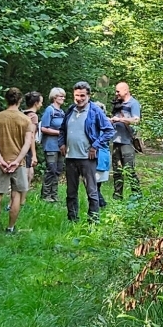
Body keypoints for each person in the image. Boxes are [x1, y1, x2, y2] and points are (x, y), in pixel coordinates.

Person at [59, 80, 116, 223]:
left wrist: (95, 145)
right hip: (71, 156)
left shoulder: (94, 111)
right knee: (71, 192)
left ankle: (93, 220)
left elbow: (109, 130)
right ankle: (72, 219)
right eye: (77, 95)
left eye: (82, 96)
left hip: (87, 158)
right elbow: (62, 130)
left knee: (92, 191)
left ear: (88, 96)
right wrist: (62, 143)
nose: (79, 98)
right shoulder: (71, 110)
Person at [0, 88, 37, 236]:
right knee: (16, 194)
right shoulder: (25, 119)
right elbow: (27, 143)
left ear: (6, 99)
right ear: (20, 100)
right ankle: (10, 227)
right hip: (18, 164)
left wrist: (1, 160)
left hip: (0, 163)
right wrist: (17, 161)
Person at [109, 80, 142, 199]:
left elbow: (136, 120)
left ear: (125, 90)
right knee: (117, 171)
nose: (116, 93)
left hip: (127, 142)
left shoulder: (134, 103)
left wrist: (120, 120)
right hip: (116, 141)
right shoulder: (118, 104)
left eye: (118, 91)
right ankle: (117, 196)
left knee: (129, 170)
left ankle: (136, 195)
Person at [38, 85, 66, 202]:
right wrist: (58, 132)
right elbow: (44, 128)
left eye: (64, 96)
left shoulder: (62, 112)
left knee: (58, 170)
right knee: (51, 169)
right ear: (55, 97)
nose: (63, 98)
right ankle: (45, 195)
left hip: (60, 146)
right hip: (50, 146)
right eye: (61, 96)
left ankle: (54, 195)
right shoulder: (50, 110)